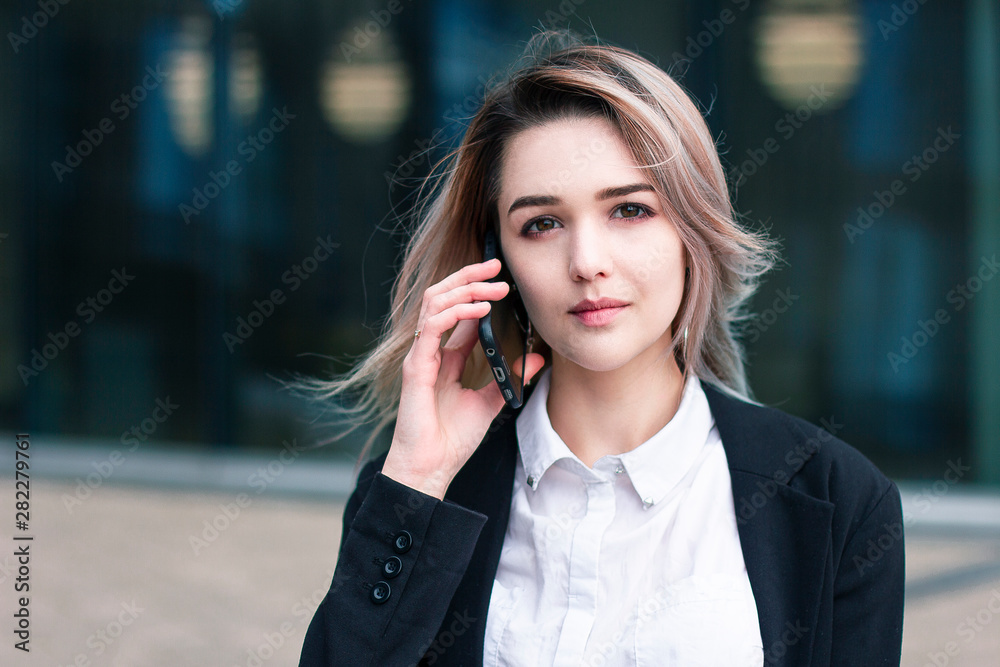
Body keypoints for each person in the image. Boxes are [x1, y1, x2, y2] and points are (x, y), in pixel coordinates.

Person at [298, 29, 904, 667]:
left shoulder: (838, 499)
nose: (587, 262)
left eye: (630, 211)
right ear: (495, 262)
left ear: (692, 229)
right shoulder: (416, 492)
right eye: (542, 224)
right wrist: (418, 480)